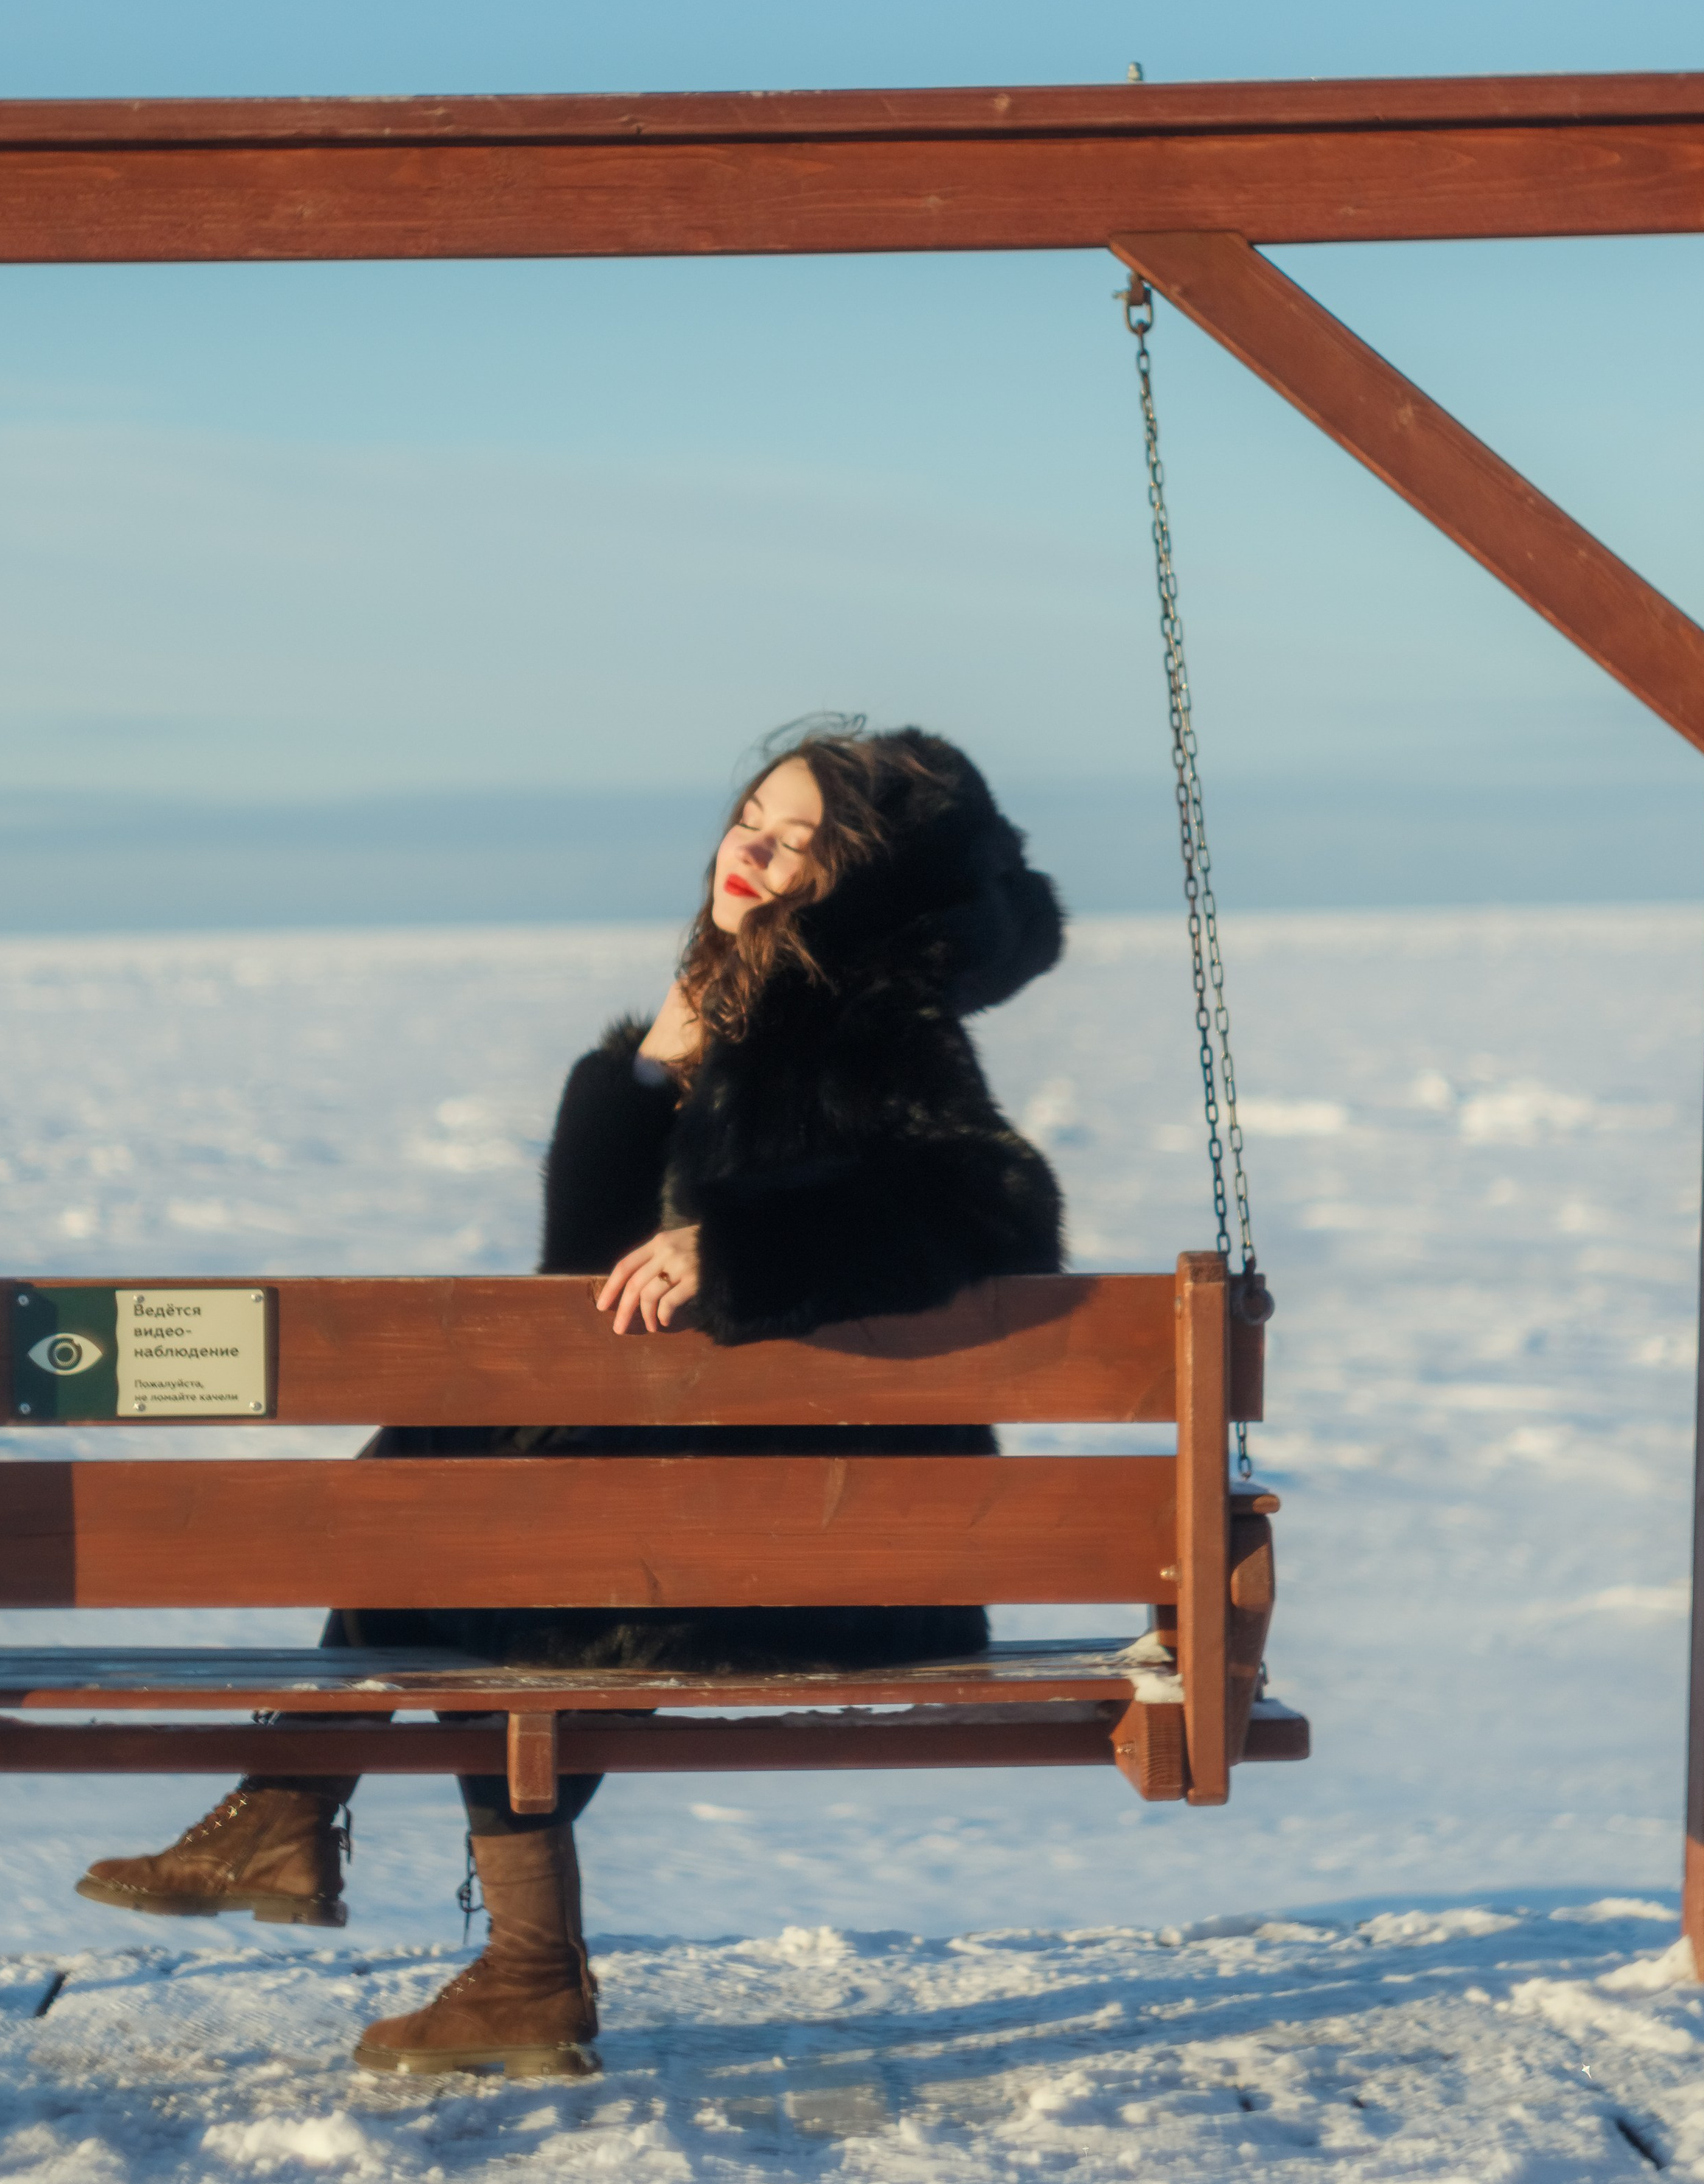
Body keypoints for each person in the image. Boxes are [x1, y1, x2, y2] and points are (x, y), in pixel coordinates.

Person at [76, 726, 1065, 2076]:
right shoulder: (746, 1015)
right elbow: (579, 1296)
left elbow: (999, 1207)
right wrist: (644, 1077)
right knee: (473, 1517)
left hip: (831, 1543)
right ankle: (437, 1913)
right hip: (732, 1515)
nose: (752, 853)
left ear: (858, 881)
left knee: (470, 1527)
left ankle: (340, 1839)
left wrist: (741, 1254)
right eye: (748, 820)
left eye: (796, 841)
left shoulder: (866, 1019)